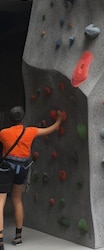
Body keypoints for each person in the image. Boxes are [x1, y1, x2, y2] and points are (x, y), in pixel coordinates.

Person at [0, 106, 63, 248]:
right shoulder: (30, 131)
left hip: (7, 167)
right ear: (22, 118)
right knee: (17, 199)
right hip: (22, 168)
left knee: (0, 201)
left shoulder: (3, 133)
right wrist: (59, 119)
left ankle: (0, 238)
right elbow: (51, 128)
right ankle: (18, 236)